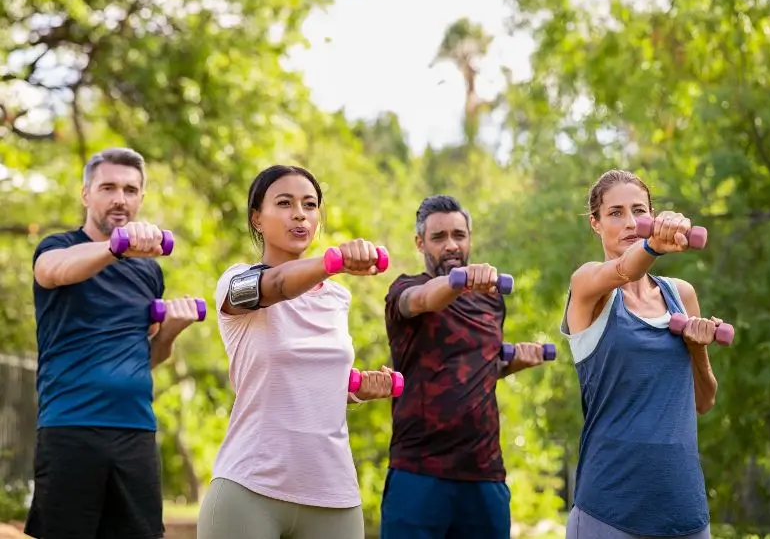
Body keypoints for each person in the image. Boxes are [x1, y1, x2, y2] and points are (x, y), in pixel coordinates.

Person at [197, 164, 396, 539]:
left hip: (332, 492)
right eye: (284, 203)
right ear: (257, 218)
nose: (299, 214)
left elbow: (307, 375)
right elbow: (278, 285)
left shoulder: (337, 297)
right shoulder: (236, 283)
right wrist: (331, 262)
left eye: (309, 204)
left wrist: (354, 388)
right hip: (249, 489)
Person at [25, 147, 203, 539]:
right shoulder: (58, 247)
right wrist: (114, 247)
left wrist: (171, 329)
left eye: (130, 189)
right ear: (86, 194)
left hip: (136, 431)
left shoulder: (149, 271)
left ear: (141, 197)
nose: (120, 199)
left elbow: (149, 356)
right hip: (71, 426)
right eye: (108, 187)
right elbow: (53, 272)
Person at [560, 169, 720, 538]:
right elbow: (622, 269)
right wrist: (653, 247)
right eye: (615, 213)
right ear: (595, 224)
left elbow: (705, 400)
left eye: (639, 211)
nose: (631, 222)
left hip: (686, 510)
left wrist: (697, 349)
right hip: (610, 509)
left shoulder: (682, 295)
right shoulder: (587, 286)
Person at [380, 194, 550, 539]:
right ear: (420, 243)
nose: (451, 245)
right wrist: (461, 279)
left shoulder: (491, 299)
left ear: (470, 238)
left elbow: (480, 367)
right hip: (418, 472)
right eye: (439, 237)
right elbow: (425, 299)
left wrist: (513, 361)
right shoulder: (405, 289)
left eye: (459, 235)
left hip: (484, 474)